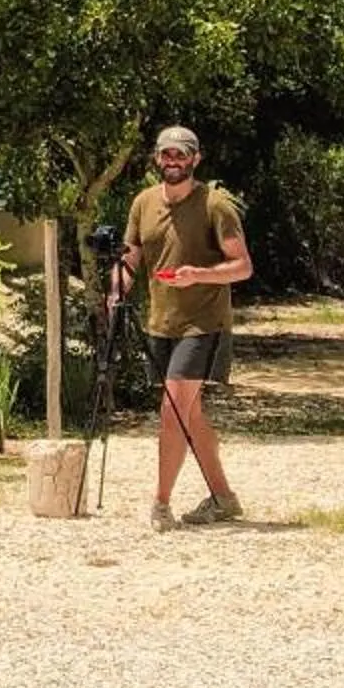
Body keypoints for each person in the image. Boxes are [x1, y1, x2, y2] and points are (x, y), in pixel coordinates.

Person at [112, 125, 251, 529]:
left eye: (181, 155)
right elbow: (130, 257)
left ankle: (160, 504)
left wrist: (198, 275)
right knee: (189, 414)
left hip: (203, 322)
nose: (173, 161)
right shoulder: (143, 203)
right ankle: (223, 498)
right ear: (156, 159)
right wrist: (116, 289)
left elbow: (242, 266)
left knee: (172, 410)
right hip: (162, 322)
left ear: (195, 159)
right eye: (166, 154)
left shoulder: (215, 205)